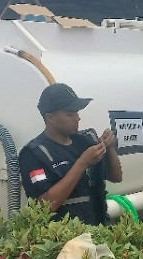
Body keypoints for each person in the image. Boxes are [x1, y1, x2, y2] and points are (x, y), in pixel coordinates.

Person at [19, 83, 123, 226]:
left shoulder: (86, 141)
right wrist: (82, 164)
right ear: (50, 117)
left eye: (77, 113)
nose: (77, 118)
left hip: (99, 230)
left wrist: (110, 148)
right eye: (70, 114)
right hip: (64, 236)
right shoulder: (34, 154)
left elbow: (116, 177)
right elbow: (44, 207)